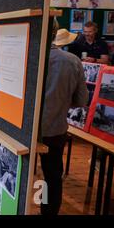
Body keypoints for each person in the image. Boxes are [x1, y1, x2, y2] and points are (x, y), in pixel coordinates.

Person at [40, 22, 88, 215]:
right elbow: (81, 99)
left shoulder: (27, 56)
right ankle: (47, 211)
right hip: (55, 128)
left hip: (21, 130)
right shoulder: (72, 61)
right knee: (51, 176)